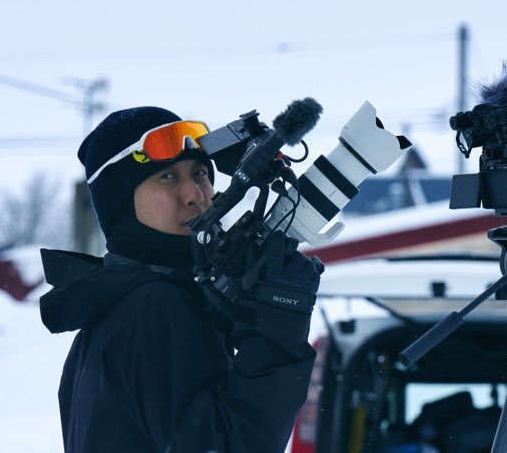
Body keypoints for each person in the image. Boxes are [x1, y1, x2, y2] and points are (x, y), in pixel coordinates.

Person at [39, 106, 324, 452]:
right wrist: (278, 325)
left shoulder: (114, 303)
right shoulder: (154, 307)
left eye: (200, 173)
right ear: (121, 205)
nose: (195, 194)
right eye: (167, 177)